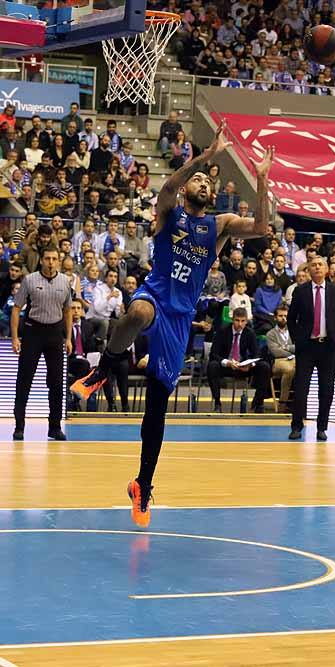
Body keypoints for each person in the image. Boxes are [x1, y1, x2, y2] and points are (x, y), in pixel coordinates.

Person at [69, 121, 275, 527]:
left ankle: (142, 484)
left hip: (181, 318)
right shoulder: (169, 212)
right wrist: (205, 157)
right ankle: (105, 368)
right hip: (155, 295)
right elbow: (168, 188)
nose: (200, 183)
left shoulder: (218, 225)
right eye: (194, 179)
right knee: (139, 313)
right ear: (186, 189)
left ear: (212, 193)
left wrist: (262, 180)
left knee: (158, 409)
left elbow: (262, 228)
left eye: (205, 181)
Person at [11, 247, 73, 440]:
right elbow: (16, 309)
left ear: (59, 261)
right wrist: (15, 337)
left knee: (56, 382)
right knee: (24, 380)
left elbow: (68, 311)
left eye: (54, 259)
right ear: (41, 260)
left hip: (55, 333)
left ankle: (54, 427)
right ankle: (19, 426)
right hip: (33, 332)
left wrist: (68, 338)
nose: (51, 262)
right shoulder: (29, 280)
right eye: (47, 258)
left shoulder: (65, 281)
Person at [286, 256, 335, 441]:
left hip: (328, 347)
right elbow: (291, 318)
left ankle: (322, 427)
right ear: (308, 270)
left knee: (326, 390)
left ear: (327, 269)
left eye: (320, 265)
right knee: (301, 388)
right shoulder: (300, 291)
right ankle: (296, 426)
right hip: (306, 347)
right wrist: (298, 339)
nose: (317, 267)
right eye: (313, 265)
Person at [206, 307, 271, 412]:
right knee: (212, 366)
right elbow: (213, 354)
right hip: (227, 366)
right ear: (232, 319)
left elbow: (257, 354)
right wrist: (227, 363)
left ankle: (258, 402)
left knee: (265, 367)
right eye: (237, 320)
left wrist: (250, 365)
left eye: (242, 321)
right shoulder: (222, 331)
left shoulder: (249, 333)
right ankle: (217, 402)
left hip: (243, 367)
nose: (240, 324)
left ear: (246, 321)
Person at [265, 304, 296, 410]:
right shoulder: (270, 334)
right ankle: (283, 402)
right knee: (290, 370)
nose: (283, 318)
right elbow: (276, 352)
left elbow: (299, 347)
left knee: (303, 368)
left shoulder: (294, 331)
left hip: (295, 360)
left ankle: (299, 402)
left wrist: (285, 346)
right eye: (280, 316)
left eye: (286, 316)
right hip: (278, 361)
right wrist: (291, 351)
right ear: (275, 317)